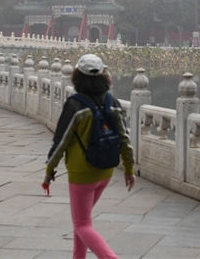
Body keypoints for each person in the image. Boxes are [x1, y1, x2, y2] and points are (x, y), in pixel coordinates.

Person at [44, 53, 135, 259]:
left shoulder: (75, 105)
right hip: (106, 171)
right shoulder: (114, 102)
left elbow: (61, 142)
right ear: (104, 75)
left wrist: (49, 171)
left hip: (82, 174)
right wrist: (129, 170)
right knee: (83, 221)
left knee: (82, 224)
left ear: (77, 76)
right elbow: (124, 140)